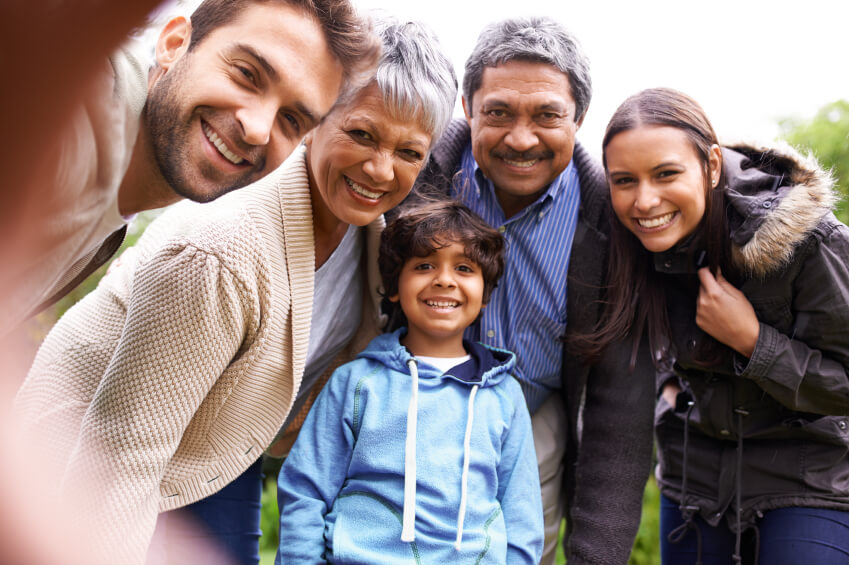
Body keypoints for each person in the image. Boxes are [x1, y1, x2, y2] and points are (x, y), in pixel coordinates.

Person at [12, 19, 457, 565]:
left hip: (216, 451)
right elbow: (119, 456)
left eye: (409, 152)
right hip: (87, 456)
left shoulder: (372, 239)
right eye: (362, 134)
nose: (381, 168)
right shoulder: (224, 249)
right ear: (317, 121)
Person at [404, 16, 656, 564]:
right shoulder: (414, 178)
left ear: (579, 119)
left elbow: (620, 401)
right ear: (468, 108)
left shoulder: (616, 219)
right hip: (408, 406)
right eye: (497, 113)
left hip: (537, 411)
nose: (521, 139)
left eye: (547, 116)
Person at [585, 87, 849, 564]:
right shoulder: (628, 244)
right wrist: (669, 386)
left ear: (709, 165)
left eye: (666, 174)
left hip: (809, 476)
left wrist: (753, 342)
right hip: (694, 479)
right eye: (625, 181)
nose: (644, 201)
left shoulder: (811, 242)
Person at [0, 0, 379, 330]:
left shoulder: (121, 195)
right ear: (174, 44)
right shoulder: (81, 117)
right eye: (247, 74)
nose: (258, 129)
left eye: (291, 119)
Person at [276, 200, 544, 564]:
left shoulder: (503, 395)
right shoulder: (355, 383)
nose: (444, 280)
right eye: (424, 266)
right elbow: (306, 492)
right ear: (394, 287)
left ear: (485, 294)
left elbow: (522, 513)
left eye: (464, 268)